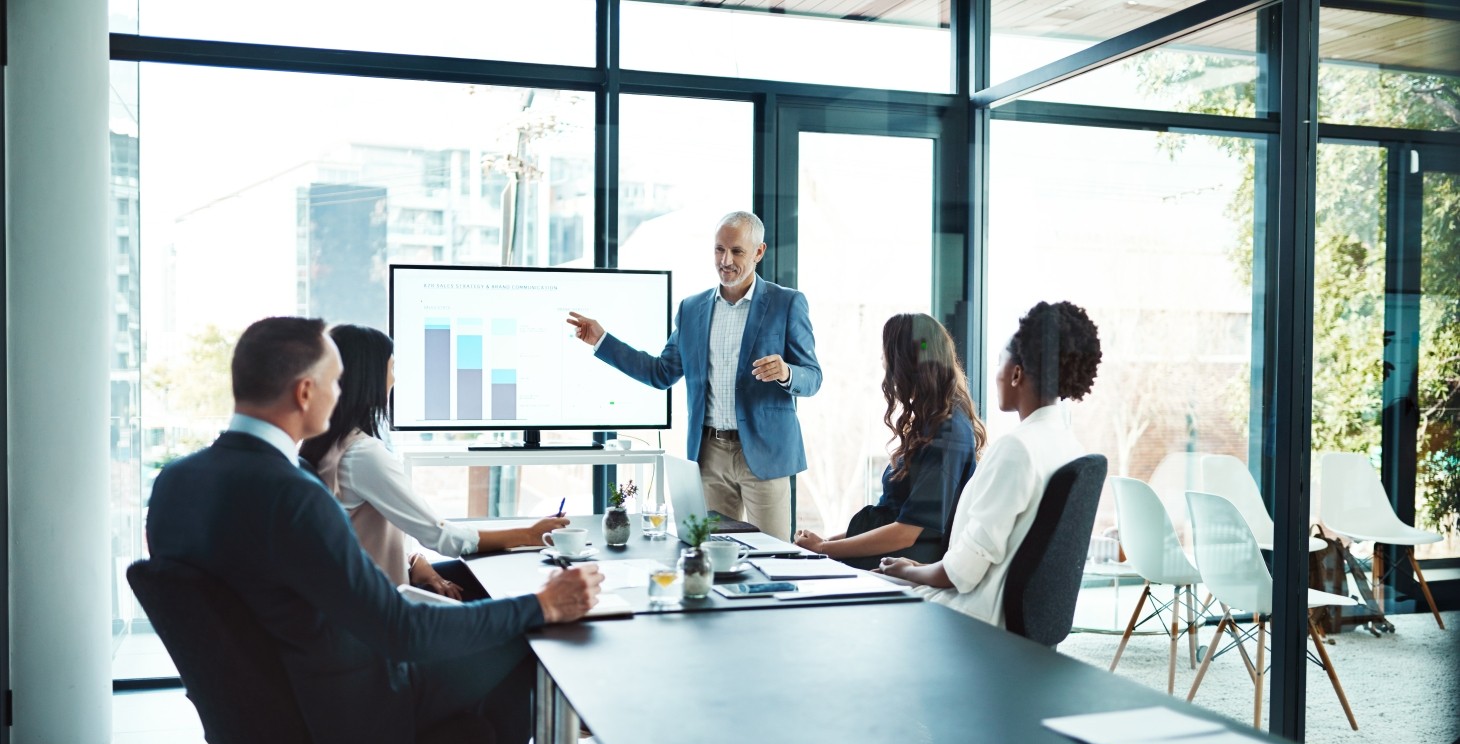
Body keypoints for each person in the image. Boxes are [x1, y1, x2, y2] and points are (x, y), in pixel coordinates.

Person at [146, 317, 603, 744]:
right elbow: (401, 632)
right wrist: (543, 605)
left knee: (489, 623)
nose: (342, 392)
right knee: (520, 635)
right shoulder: (295, 496)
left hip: (259, 712)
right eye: (335, 381)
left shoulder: (175, 482)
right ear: (305, 392)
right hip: (350, 715)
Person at [566, 210, 821, 540]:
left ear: (759, 252)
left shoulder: (787, 304)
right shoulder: (691, 309)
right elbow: (661, 373)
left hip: (765, 454)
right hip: (709, 455)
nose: (725, 260)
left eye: (737, 251)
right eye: (719, 249)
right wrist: (602, 340)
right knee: (712, 554)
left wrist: (787, 372)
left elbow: (812, 376)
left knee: (772, 555)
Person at [299, 323, 569, 601]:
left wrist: (414, 560)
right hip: (382, 607)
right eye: (391, 369)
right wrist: (529, 534)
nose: (394, 380)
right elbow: (443, 538)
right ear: (370, 377)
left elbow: (361, 533)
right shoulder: (362, 455)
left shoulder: (324, 444)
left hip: (356, 594)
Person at [877, 301, 1102, 627]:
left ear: (1016, 374)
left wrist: (909, 571)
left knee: (854, 593)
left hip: (970, 617)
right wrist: (914, 570)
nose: (996, 373)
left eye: (999, 362)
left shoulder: (1017, 449)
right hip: (1002, 615)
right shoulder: (1070, 446)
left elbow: (961, 573)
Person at [793, 313, 985, 570]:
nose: (883, 361)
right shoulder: (932, 423)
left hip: (904, 563)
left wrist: (825, 549)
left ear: (906, 364)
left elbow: (906, 532)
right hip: (893, 556)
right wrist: (824, 543)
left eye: (887, 354)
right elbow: (894, 519)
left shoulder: (947, 433)